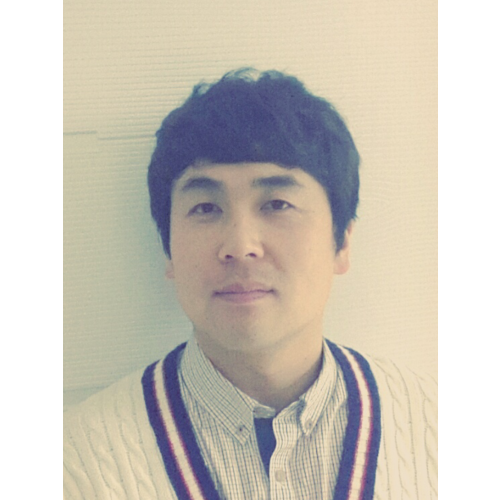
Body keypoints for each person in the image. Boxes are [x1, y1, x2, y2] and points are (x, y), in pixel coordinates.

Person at [63, 69, 437, 500]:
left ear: (342, 242)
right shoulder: (76, 462)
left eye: (277, 204)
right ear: (168, 250)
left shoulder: (438, 426)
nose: (240, 247)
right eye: (206, 208)